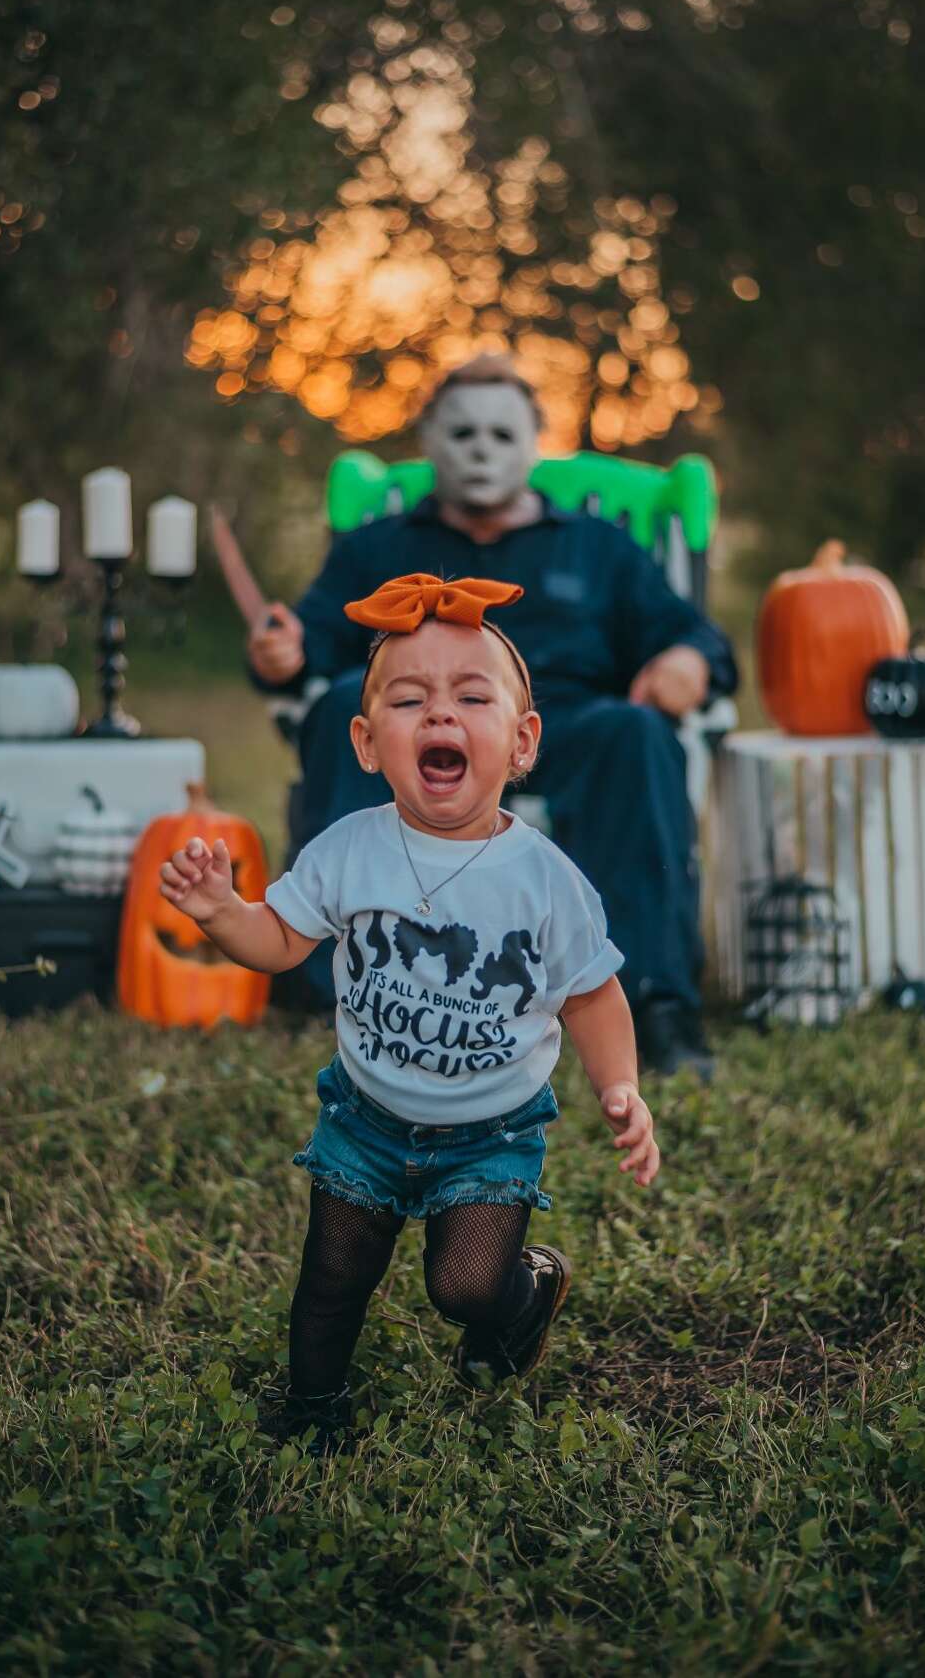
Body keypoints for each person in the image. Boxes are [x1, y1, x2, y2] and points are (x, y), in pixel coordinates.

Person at [161, 573, 659, 1449]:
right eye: (409, 699)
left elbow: (591, 991)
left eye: (472, 696)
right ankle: (313, 1411)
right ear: (366, 741)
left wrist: (620, 1087)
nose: (440, 716)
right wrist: (221, 914)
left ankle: (523, 1294)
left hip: (492, 1130)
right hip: (367, 1118)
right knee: (332, 1279)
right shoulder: (350, 851)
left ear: (522, 741)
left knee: (462, 1287)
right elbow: (279, 939)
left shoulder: (545, 881)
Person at [247, 355, 738, 1077]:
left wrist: (689, 661)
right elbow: (313, 634)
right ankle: (328, 995)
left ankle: (655, 1005)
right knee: (338, 705)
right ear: (430, 439)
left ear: (535, 442)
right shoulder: (380, 546)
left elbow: (696, 635)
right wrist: (280, 652)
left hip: (559, 728)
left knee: (637, 734)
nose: (482, 448)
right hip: (425, 732)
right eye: (464, 431)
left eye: (502, 435)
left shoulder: (597, 547)